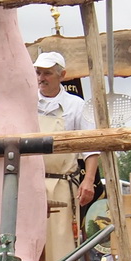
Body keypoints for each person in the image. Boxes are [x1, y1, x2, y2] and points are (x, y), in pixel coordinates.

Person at [31, 50, 104, 207]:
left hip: (63, 184)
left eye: (47, 73)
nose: (41, 78)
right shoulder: (26, 102)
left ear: (62, 75)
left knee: (62, 232)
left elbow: (90, 147)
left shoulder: (76, 105)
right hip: (29, 185)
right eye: (38, 73)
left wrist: (89, 180)